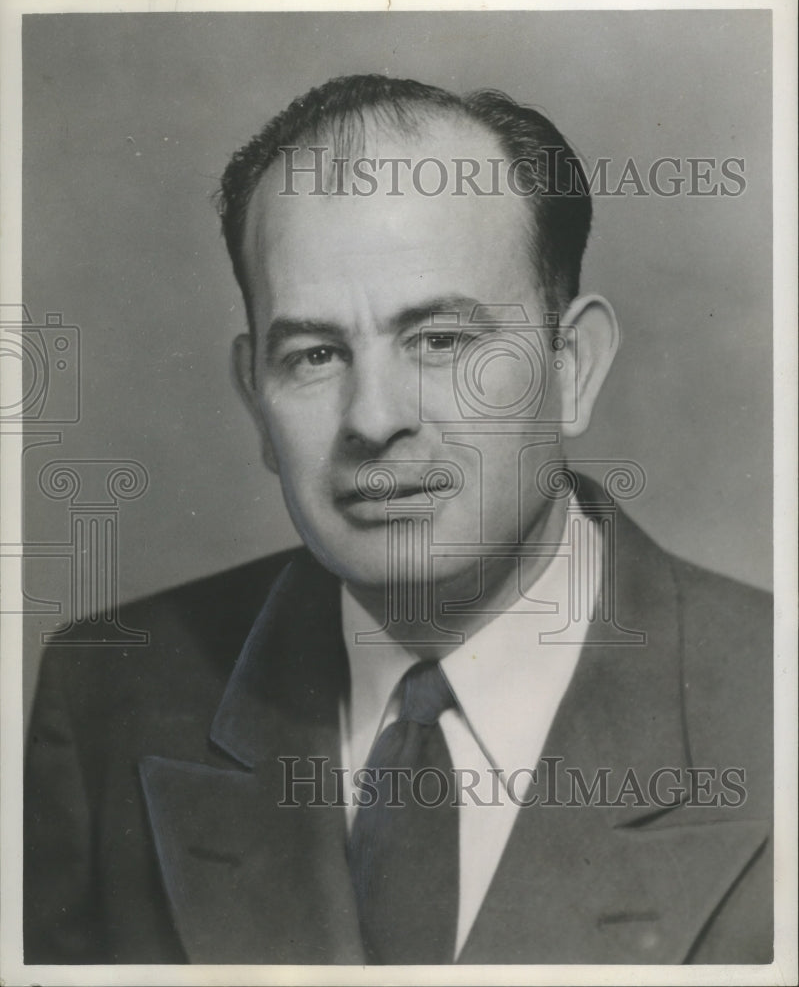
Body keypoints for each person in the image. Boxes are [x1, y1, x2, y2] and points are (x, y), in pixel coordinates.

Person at [24, 74, 772, 966]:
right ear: (255, 399)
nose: (373, 419)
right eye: (314, 355)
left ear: (570, 366)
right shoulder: (108, 697)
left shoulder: (772, 706)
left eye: (441, 341)